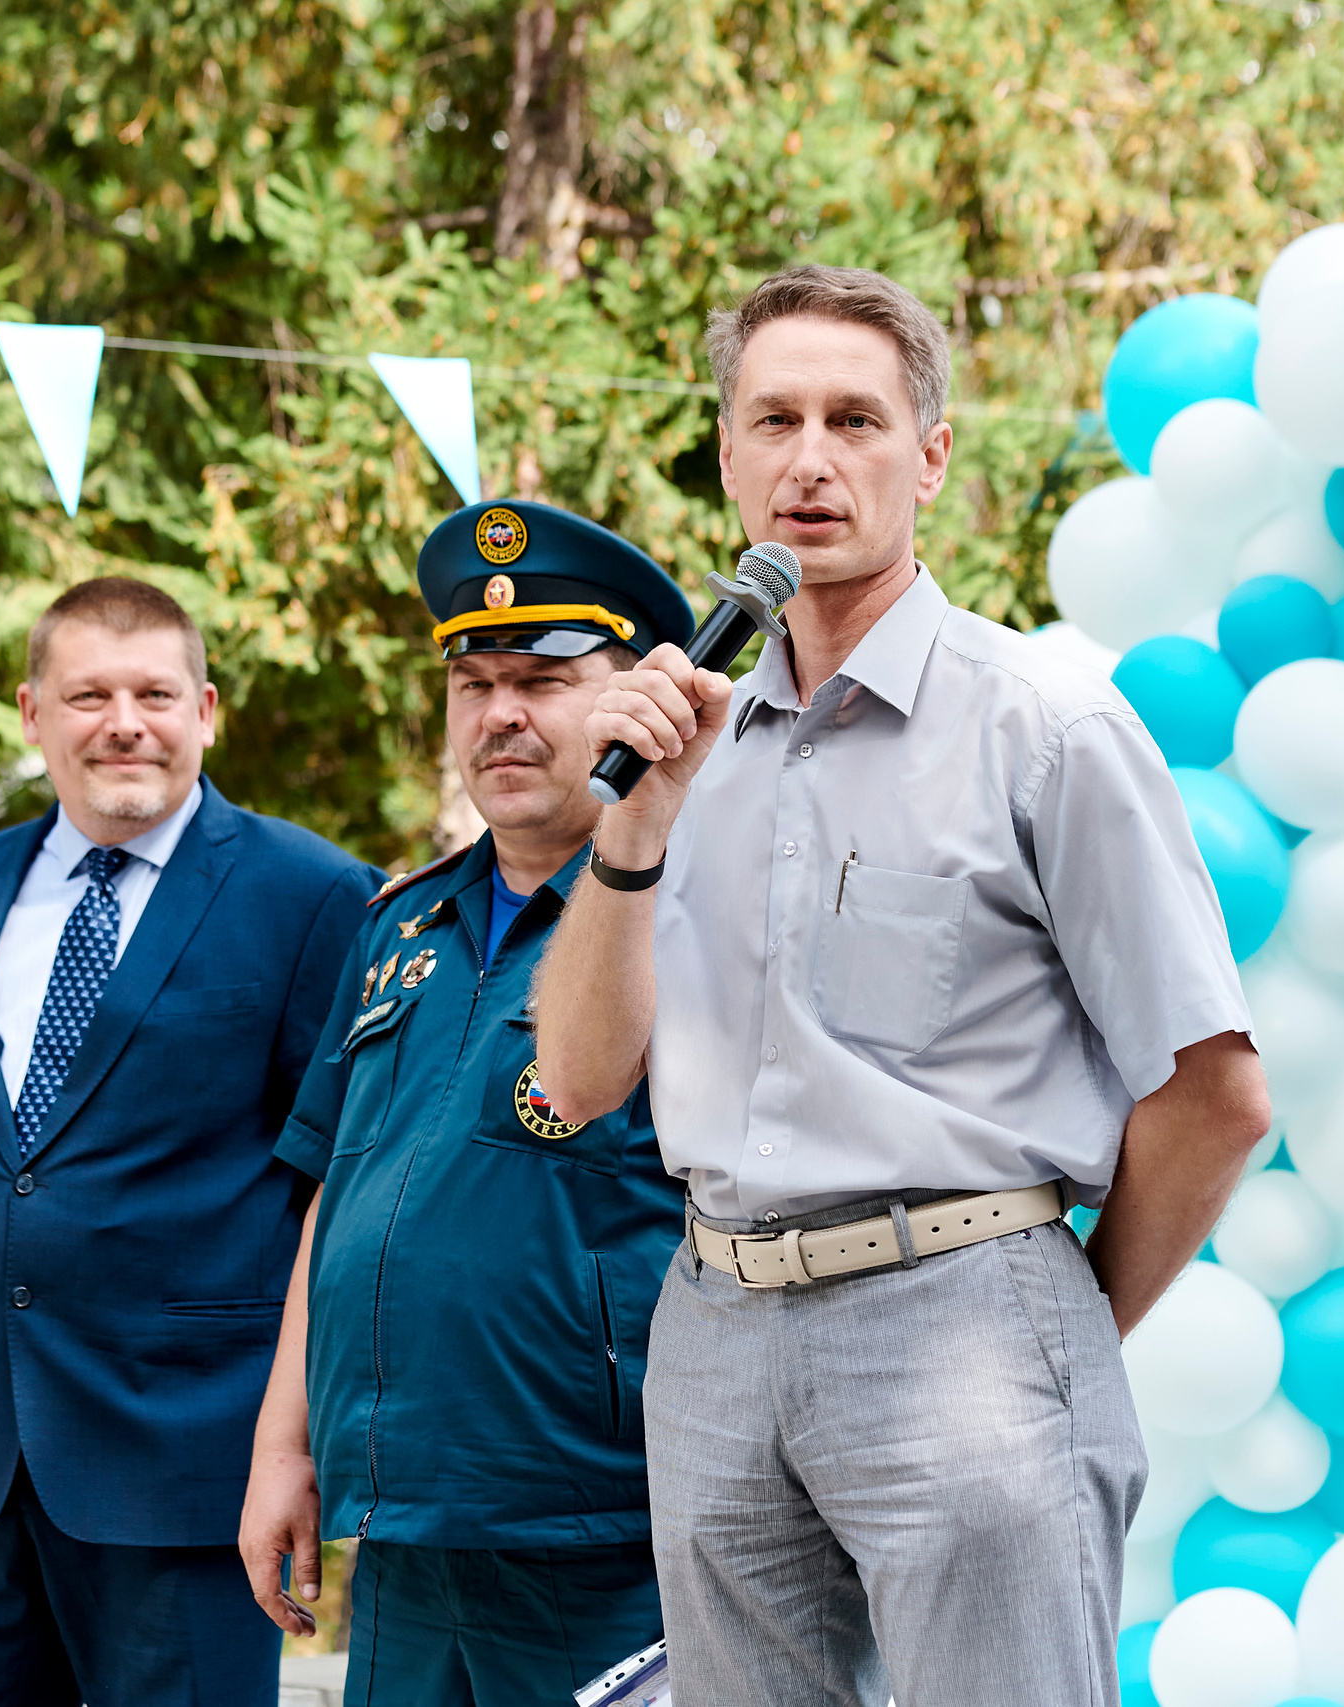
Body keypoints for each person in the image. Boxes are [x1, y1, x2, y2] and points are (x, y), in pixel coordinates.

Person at [532, 265, 1274, 1707]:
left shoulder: (1043, 723)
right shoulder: (682, 737)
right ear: (729, 455)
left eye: (856, 419)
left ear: (929, 455)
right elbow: (573, 1078)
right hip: (715, 1326)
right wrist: (628, 834)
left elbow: (1216, 1094)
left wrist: (1046, 1313)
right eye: (775, 420)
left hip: (968, 1317)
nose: (812, 457)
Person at [0, 577, 381, 1707]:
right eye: (87, 694)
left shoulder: (311, 896)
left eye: (154, 693)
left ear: (205, 710)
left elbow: (336, 1187)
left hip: (188, 1463)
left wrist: (295, 1449)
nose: (123, 722)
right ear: (31, 714)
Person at [238, 500, 694, 1707]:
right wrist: (284, 1446)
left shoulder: (697, 919)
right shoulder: (401, 924)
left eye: (542, 679)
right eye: (472, 681)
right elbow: (337, 1193)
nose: (499, 713)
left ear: (637, 694)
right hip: (403, 1525)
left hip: (604, 1526)